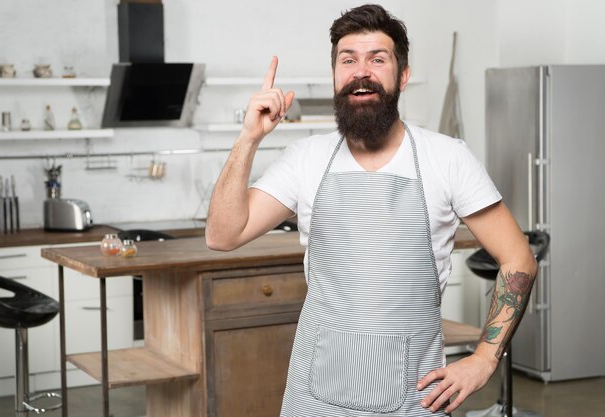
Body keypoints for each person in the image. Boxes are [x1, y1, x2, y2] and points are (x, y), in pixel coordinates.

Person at [206, 4, 537, 416]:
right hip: (314, 397)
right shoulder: (305, 158)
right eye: (348, 60)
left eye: (377, 59)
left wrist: (485, 358)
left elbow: (518, 258)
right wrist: (248, 137)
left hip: (413, 399)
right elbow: (221, 235)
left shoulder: (446, 158)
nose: (361, 72)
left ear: (402, 76)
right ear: (335, 76)